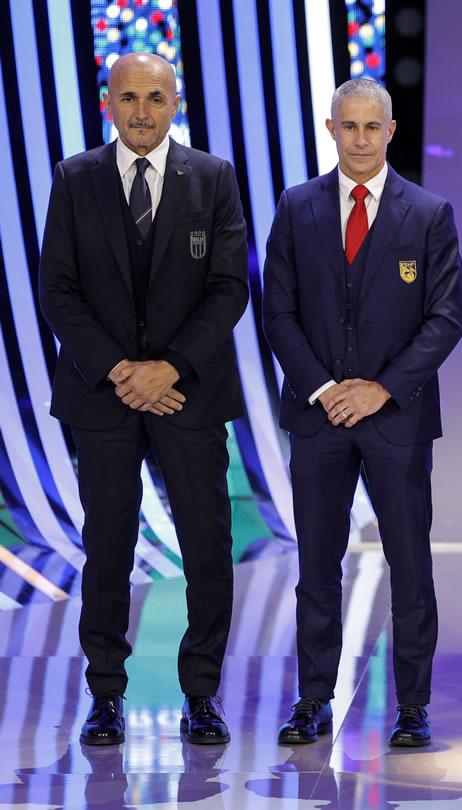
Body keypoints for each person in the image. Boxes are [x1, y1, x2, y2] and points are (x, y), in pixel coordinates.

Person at [39, 52, 249, 745]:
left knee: (207, 546)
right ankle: (105, 695)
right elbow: (58, 293)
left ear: (174, 102)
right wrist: (124, 371)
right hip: (102, 397)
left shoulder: (213, 178)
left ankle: (201, 692)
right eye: (128, 98)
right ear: (109, 103)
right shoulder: (74, 178)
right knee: (105, 545)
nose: (141, 112)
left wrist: (170, 368)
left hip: (189, 395)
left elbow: (229, 288)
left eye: (154, 98)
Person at [263, 78, 462, 747]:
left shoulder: (430, 213)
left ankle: (413, 708)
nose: (359, 139)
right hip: (319, 418)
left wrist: (380, 388)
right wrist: (326, 388)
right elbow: (279, 314)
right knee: (317, 565)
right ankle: (312, 700)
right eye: (347, 127)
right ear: (330, 130)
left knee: (410, 565)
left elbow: (445, 318)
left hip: (396, 417)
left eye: (370, 127)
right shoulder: (297, 208)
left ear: (390, 131)